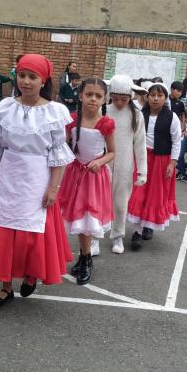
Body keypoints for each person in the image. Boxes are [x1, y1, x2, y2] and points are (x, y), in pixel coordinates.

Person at [0, 54, 75, 308]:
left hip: (37, 177)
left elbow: (58, 156)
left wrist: (53, 188)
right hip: (8, 175)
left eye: (32, 77)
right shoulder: (5, 107)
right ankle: (5, 287)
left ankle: (31, 274)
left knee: (31, 231)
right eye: (22, 75)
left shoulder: (54, 112)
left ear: (43, 80)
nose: (26, 81)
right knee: (3, 230)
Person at [58, 79, 115, 284]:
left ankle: (86, 259)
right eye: (89, 94)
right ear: (80, 96)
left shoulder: (106, 123)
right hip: (75, 174)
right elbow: (62, 145)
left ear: (104, 100)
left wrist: (99, 161)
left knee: (88, 219)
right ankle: (84, 257)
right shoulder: (72, 120)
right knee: (77, 219)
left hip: (93, 177)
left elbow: (112, 152)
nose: (93, 99)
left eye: (98, 96)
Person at [127, 82, 181, 250]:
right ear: (147, 97)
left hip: (161, 160)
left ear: (165, 98)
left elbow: (176, 141)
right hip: (141, 158)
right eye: (152, 95)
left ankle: (148, 225)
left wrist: (172, 163)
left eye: (160, 95)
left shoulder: (172, 117)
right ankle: (137, 232)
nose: (155, 99)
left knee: (154, 195)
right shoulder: (139, 114)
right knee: (139, 192)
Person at [106, 75, 147, 255]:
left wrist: (142, 172)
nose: (119, 103)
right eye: (115, 99)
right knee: (99, 200)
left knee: (121, 203)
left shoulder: (136, 115)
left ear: (130, 96)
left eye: (124, 99)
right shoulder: (103, 110)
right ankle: (95, 236)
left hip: (125, 163)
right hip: (103, 161)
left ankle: (118, 235)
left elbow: (140, 144)